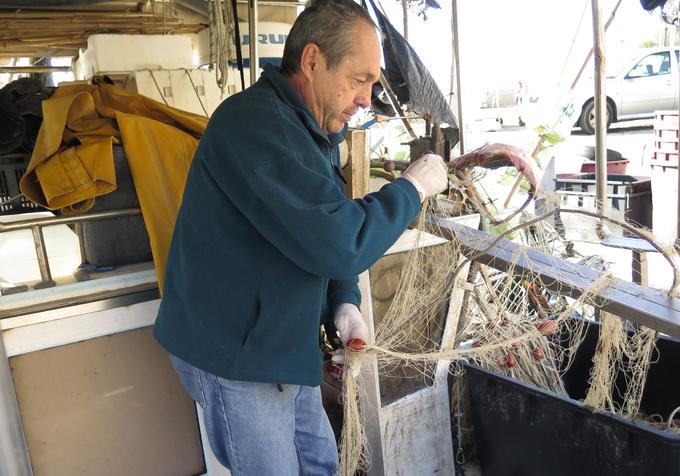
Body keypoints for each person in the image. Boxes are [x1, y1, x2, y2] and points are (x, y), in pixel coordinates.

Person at [153, 0, 448, 474]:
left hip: (284, 348)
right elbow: (338, 240)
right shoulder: (255, 125)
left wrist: (344, 301)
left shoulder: (307, 133)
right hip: (240, 360)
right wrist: (411, 190)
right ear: (312, 62)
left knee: (320, 464)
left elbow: (321, 226)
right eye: (360, 79)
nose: (367, 99)